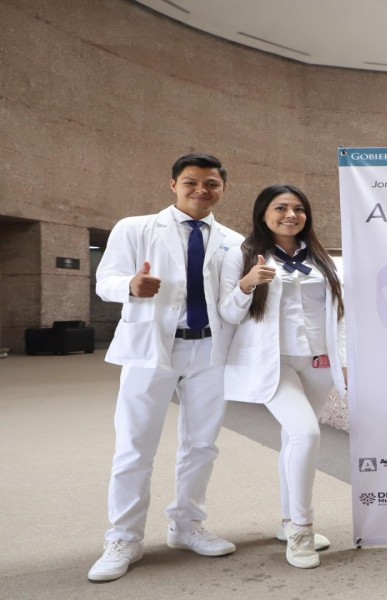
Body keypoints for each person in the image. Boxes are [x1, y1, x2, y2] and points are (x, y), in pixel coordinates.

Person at [89, 153, 243, 582]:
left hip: (209, 351)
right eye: (191, 182)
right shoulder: (134, 228)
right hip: (151, 348)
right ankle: (124, 537)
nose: (201, 190)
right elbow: (105, 281)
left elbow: (231, 300)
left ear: (223, 189)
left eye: (211, 184)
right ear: (173, 185)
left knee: (202, 445)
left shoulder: (234, 241)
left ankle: (187, 525)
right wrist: (130, 285)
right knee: (134, 445)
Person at [218, 184, 346, 569]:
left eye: (299, 209)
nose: (291, 215)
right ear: (263, 213)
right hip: (274, 362)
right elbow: (228, 313)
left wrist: (342, 359)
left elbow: (340, 313)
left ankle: (288, 521)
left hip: (318, 361)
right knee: (307, 434)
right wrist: (247, 284)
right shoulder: (242, 254)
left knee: (294, 438)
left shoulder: (323, 259)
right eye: (281, 208)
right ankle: (302, 530)